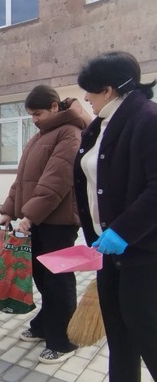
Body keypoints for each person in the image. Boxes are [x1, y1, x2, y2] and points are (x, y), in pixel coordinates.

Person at [73, 51, 157, 381]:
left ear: (108, 90)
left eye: (89, 91)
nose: (86, 98)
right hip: (108, 251)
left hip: (143, 252)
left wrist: (123, 230)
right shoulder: (103, 125)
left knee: (146, 332)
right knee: (119, 333)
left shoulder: (147, 119)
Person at [0, 85, 91, 364]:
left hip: (58, 223)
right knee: (41, 277)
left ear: (54, 106)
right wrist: (8, 211)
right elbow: (22, 179)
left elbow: (56, 181)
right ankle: (44, 325)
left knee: (57, 281)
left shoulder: (69, 133)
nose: (34, 119)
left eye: (37, 113)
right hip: (36, 220)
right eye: (30, 115)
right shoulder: (39, 137)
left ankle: (63, 341)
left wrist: (29, 216)